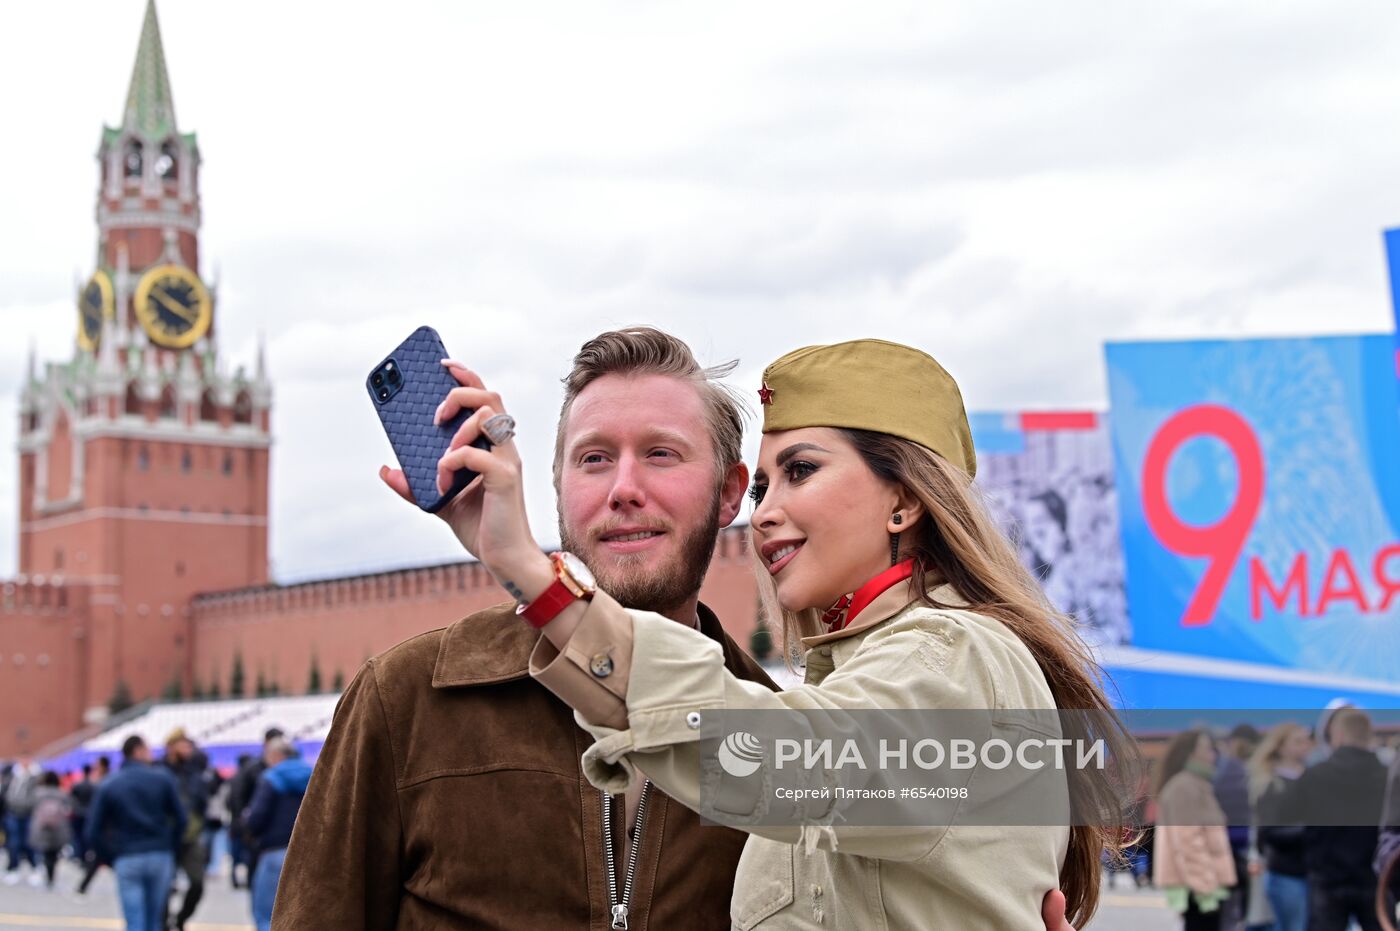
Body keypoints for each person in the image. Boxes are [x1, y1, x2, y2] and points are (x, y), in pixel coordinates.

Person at [278, 328, 1081, 930]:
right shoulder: (409, 696)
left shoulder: (883, 677)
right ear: (556, 484)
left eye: (662, 454)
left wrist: (529, 571)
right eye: (593, 458)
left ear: (722, 493)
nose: (624, 487)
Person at [1281, 708, 1386, 931]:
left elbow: (1286, 823)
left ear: (1337, 735)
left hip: (1326, 878)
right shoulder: (1387, 777)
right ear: (1368, 735)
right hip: (1375, 879)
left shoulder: (1315, 775)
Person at [86, 736, 187, 931]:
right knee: (154, 920)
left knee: (134, 921)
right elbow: (181, 819)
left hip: (127, 855)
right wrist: (170, 846)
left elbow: (93, 830)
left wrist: (109, 856)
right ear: (138, 751)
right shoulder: (162, 778)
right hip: (159, 853)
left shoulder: (110, 783)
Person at [1153, 729, 1238, 931]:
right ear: (1190, 753)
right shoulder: (1184, 786)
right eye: (1208, 749)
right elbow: (1187, 841)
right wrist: (1205, 887)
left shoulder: (1197, 784)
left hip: (1205, 883)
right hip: (1200, 887)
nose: (1213, 755)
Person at [1247, 722, 1311, 931]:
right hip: (1286, 871)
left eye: (1306, 740)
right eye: (1297, 741)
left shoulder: (1311, 776)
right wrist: (1307, 830)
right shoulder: (1272, 784)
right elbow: (1268, 832)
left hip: (1310, 870)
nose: (1305, 746)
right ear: (1281, 747)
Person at [243, 737, 312, 931]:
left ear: (276, 755)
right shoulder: (314, 773)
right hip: (306, 852)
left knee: (266, 913)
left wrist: (248, 829)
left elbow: (257, 817)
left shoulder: (271, 777)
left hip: (274, 849)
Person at [162, 730, 212, 931]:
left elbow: (201, 803)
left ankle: (180, 919)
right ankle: (164, 923)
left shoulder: (194, 773)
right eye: (184, 745)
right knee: (163, 887)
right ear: (172, 747)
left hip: (190, 837)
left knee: (197, 883)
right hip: (165, 837)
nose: (188, 750)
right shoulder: (160, 771)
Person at [1212, 723, 1260, 931]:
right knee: (1248, 907)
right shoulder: (1256, 769)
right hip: (1249, 843)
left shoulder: (1222, 768)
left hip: (1224, 841)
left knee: (1227, 906)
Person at [27, 771, 71, 888]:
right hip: (58, 828)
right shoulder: (62, 794)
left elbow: (31, 806)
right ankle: (51, 876)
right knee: (54, 853)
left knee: (45, 852)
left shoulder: (39, 793)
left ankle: (46, 873)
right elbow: (69, 809)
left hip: (42, 827)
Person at [77, 755, 113, 895]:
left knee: (100, 858)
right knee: (99, 859)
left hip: (107, 827)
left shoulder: (107, 781)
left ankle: (82, 887)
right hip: (103, 826)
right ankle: (82, 887)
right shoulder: (100, 780)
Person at [3, 755, 41, 885]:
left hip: (28, 814)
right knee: (14, 842)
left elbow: (35, 796)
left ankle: (34, 868)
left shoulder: (34, 777)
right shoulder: (14, 775)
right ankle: (13, 868)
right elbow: (9, 793)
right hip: (13, 813)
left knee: (29, 843)